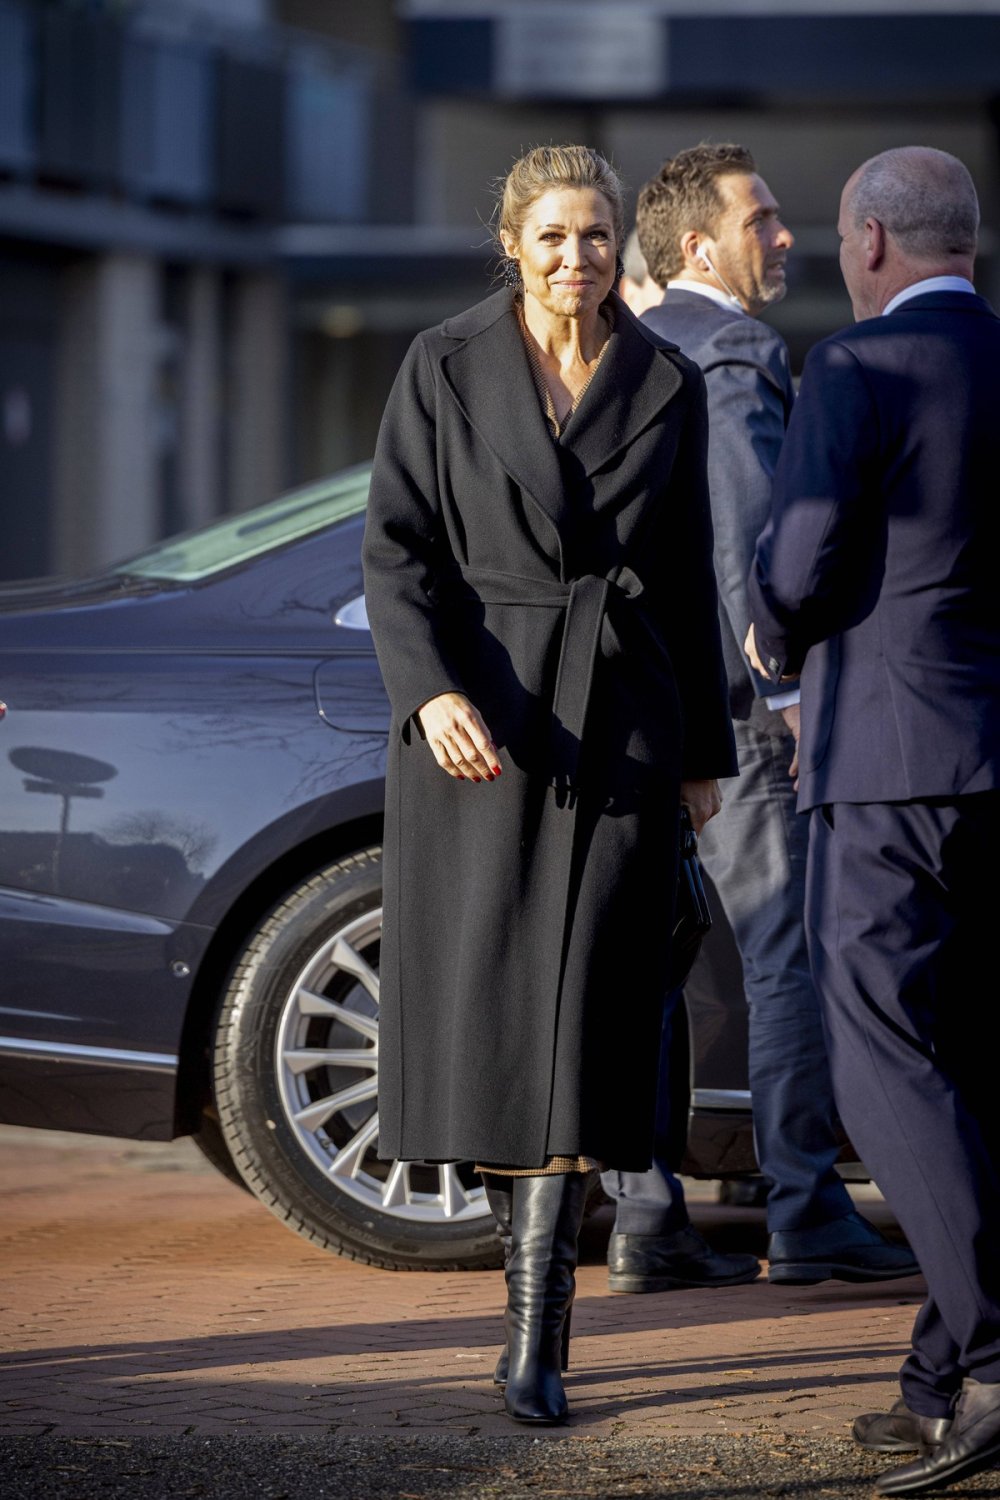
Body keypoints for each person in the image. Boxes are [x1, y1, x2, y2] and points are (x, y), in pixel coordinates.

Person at [362, 144, 736, 1427]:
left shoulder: (668, 379)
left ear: (620, 243)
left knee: (585, 1024)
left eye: (596, 235)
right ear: (512, 243)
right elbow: (396, 552)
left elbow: (684, 574)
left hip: (622, 725)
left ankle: (538, 1334)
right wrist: (431, 694)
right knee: (488, 1026)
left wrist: (702, 756)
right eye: (554, 236)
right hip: (484, 727)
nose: (577, 258)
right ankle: (519, 1255)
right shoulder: (441, 363)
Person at [601, 142, 917, 1293]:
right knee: (782, 954)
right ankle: (805, 1207)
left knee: (648, 969)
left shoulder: (625, 346)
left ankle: (645, 1217)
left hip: (634, 715)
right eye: (762, 220)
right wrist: (782, 696)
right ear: (698, 246)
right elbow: (747, 545)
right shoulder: (731, 351)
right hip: (729, 719)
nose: (785, 236)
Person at [747, 146, 1000, 1495]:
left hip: (890, 758)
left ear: (871, 245)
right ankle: (933, 1379)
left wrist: (768, 632)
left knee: (882, 1066)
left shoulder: (856, 365)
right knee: (968, 1073)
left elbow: (798, 560)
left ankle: (993, 1359)